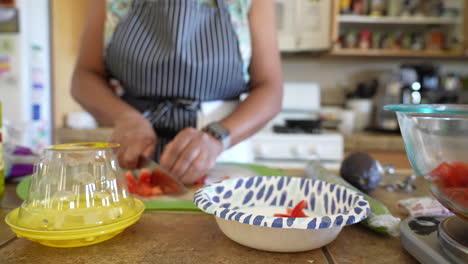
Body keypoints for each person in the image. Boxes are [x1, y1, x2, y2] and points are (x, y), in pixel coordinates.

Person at [72, 0, 283, 184]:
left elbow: (270, 89)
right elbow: (84, 77)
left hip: (222, 157)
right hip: (136, 154)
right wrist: (125, 117)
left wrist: (217, 137)